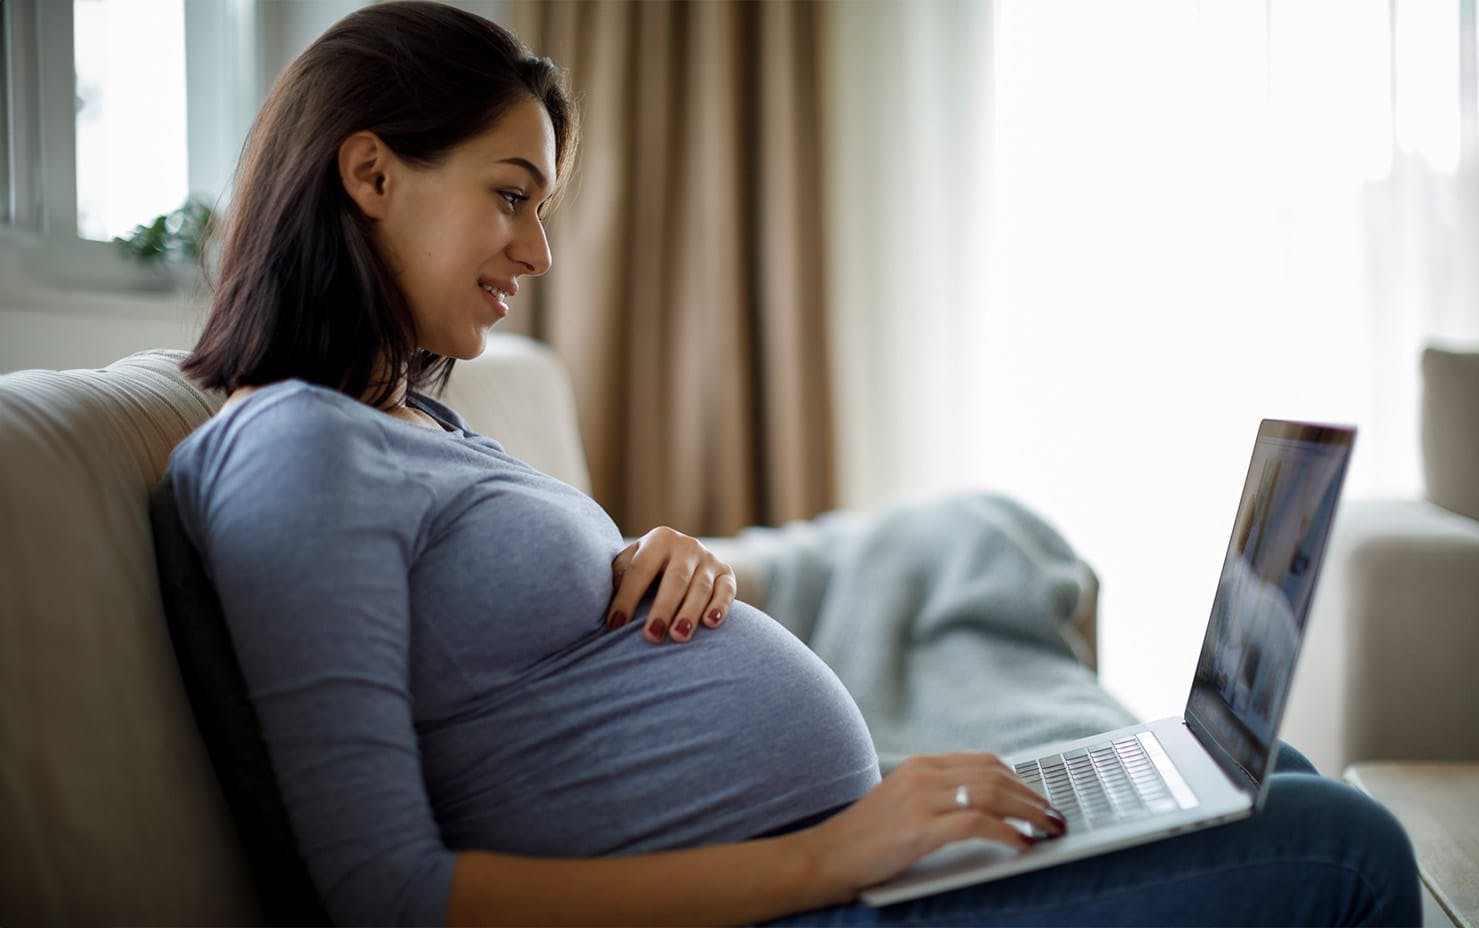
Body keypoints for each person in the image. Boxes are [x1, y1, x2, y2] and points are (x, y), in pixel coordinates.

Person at [167, 3, 1420, 925]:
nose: (538, 251)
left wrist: (646, 563)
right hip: (803, 901)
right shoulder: (295, 455)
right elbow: (392, 893)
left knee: (1266, 786)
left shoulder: (413, 427)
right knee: (1349, 843)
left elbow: (513, 661)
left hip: (830, 868)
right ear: (373, 173)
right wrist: (842, 852)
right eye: (511, 195)